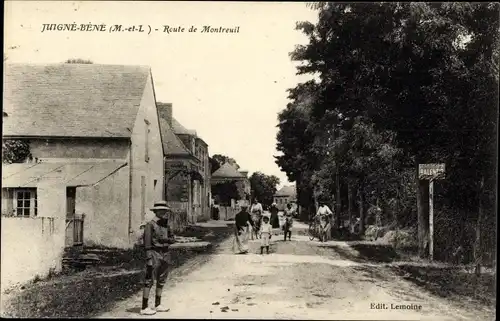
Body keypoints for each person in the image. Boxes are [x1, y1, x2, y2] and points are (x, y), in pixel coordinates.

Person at [140, 201, 176, 315]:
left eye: (165, 210)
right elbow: (147, 244)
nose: (163, 212)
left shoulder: (166, 224)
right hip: (155, 253)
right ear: (155, 211)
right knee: (149, 279)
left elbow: (172, 238)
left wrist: (166, 240)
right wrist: (149, 258)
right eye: (161, 210)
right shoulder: (150, 225)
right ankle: (144, 307)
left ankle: (158, 304)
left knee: (162, 279)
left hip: (165, 253)